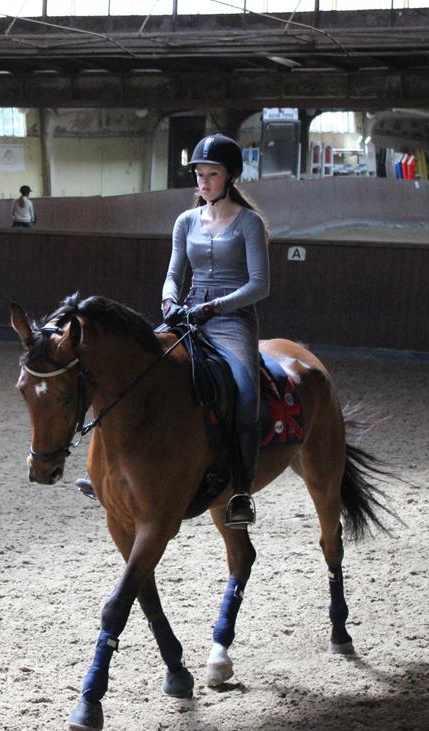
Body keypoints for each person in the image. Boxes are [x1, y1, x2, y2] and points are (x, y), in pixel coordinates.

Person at [161, 133, 270, 528]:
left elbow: (260, 285)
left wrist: (215, 307)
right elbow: (173, 273)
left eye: (212, 174)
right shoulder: (185, 220)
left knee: (244, 394)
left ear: (231, 177)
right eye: (199, 175)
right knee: (142, 365)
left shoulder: (249, 223)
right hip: (188, 312)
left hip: (232, 320)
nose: (203, 182)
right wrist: (170, 300)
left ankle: (242, 490)